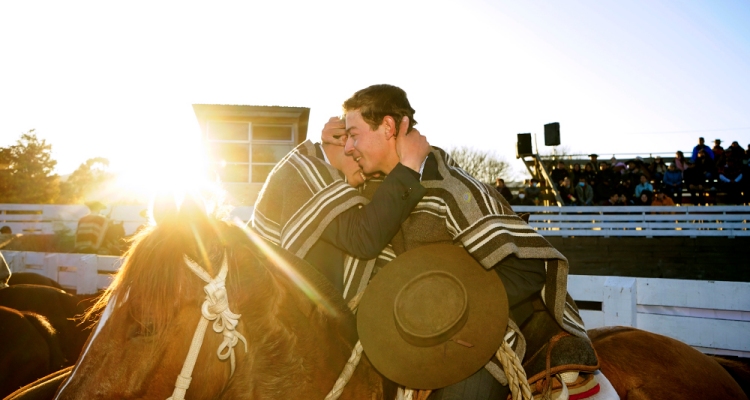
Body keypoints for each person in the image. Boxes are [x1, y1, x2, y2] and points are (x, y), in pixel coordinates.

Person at [342, 84, 597, 399]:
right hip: (411, 338)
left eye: (354, 135)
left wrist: (447, 307)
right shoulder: (381, 194)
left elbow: (527, 270)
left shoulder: (455, 189)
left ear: (389, 127)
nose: (348, 148)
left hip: (478, 340)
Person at [252, 116, 431, 295]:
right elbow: (363, 237)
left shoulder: (331, 177)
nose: (372, 174)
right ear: (347, 141)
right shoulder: (301, 170)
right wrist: (409, 165)